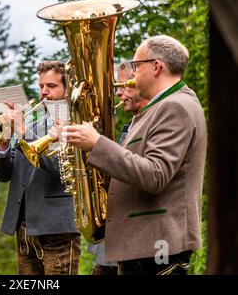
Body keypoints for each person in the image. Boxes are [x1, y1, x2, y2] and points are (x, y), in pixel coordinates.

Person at [61, 35, 207, 275]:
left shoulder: (175, 106)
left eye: (137, 66)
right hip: (145, 245)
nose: (133, 75)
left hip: (157, 248)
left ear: (156, 66)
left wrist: (97, 143)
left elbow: (155, 175)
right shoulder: (161, 106)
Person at [0, 60, 81, 275]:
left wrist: (22, 132)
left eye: (51, 86)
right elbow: (4, 175)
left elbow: (61, 167)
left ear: (67, 91)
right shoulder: (34, 127)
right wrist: (3, 143)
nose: (44, 92)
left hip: (57, 229)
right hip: (24, 228)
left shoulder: (75, 125)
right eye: (41, 86)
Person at [88, 63, 150, 275]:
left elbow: (144, 174)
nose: (118, 93)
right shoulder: (129, 126)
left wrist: (96, 144)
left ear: (140, 81)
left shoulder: (154, 121)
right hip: (110, 248)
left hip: (137, 246)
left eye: (123, 85)